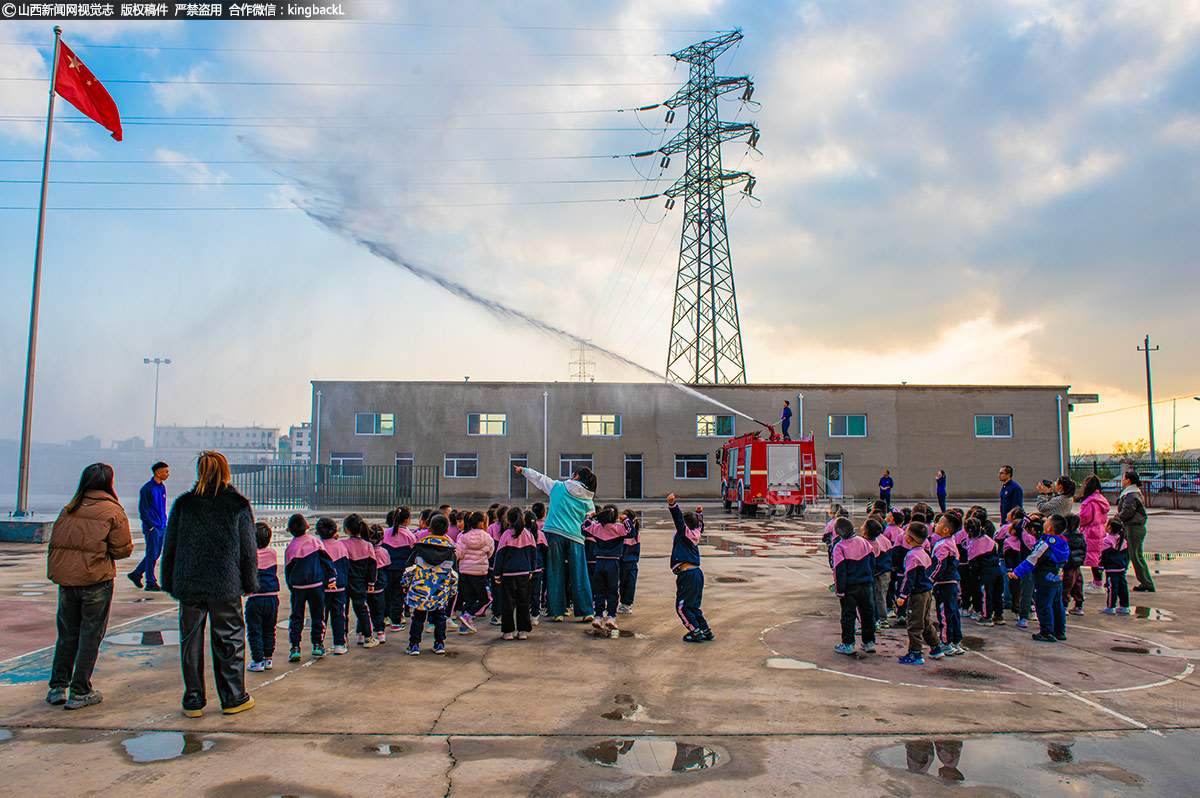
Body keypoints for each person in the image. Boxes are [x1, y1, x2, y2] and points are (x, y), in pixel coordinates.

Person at [160, 451, 257, 718]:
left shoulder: (184, 504)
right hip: (225, 583)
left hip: (189, 582)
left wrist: (170, 582)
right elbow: (248, 551)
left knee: (189, 640)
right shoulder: (237, 504)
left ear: (199, 472)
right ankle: (233, 697)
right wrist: (249, 582)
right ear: (226, 472)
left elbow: (170, 548)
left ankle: (193, 699)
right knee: (230, 639)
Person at [45, 463, 133, 710]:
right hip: (95, 580)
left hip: (67, 582)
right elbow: (122, 549)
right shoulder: (112, 511)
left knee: (67, 634)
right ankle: (80, 690)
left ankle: (57, 687)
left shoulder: (68, 509)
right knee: (90, 636)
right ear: (109, 482)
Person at [516, 464, 596, 623]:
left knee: (555, 572)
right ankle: (586, 611)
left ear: (576, 476)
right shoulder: (588, 498)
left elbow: (540, 479)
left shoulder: (558, 487)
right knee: (579, 573)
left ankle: (557, 611)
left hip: (554, 533)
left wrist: (524, 471)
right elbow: (590, 518)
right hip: (576, 537)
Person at [403, 513, 458, 655]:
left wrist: (406, 585)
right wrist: (452, 591)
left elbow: (409, 568)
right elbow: (454, 574)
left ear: (429, 528)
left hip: (421, 589)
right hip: (440, 590)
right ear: (446, 531)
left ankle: (414, 645)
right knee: (440, 617)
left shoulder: (420, 547)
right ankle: (439, 643)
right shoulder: (450, 550)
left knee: (418, 616)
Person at [1010, 514, 1069, 642]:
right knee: (1057, 605)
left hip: (1044, 580)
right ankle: (1060, 630)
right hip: (1056, 579)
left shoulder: (1045, 544)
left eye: (1047, 521)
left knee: (1043, 605)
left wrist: (1017, 572)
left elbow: (1032, 560)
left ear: (1049, 528)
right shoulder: (1063, 542)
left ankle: (1046, 631)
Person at [284, 513, 334, 662]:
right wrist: (331, 578)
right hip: (316, 585)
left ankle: (295, 647)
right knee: (318, 615)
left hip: (298, 587)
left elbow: (288, 571)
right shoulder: (315, 541)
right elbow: (326, 561)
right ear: (307, 527)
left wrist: (291, 587)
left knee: (296, 617)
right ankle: (318, 644)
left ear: (289, 530)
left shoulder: (290, 548)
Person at [668, 494, 713, 642]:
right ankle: (706, 630)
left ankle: (695, 631)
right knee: (693, 606)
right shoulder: (696, 533)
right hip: (696, 574)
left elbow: (678, 520)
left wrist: (673, 505)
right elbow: (700, 526)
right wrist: (699, 514)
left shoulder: (684, 533)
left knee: (682, 608)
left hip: (687, 575)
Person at [896, 522, 943, 664]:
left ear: (909, 538)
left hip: (917, 594)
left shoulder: (911, 556)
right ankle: (935, 647)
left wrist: (902, 596)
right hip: (927, 592)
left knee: (914, 624)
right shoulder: (924, 554)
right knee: (925, 621)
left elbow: (909, 578)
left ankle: (915, 653)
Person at [831, 517, 876, 655]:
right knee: (868, 613)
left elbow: (840, 570)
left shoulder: (839, 547)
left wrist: (840, 590)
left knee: (848, 615)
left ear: (838, 533)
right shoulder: (863, 542)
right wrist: (870, 578)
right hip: (866, 584)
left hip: (850, 587)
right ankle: (869, 642)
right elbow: (872, 561)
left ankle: (848, 644)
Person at [495, 506, 536, 640]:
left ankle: (508, 632)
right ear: (523, 518)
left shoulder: (506, 535)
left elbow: (499, 556)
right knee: (523, 602)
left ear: (508, 520)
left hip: (508, 574)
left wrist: (497, 574)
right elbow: (533, 554)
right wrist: (531, 570)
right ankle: (523, 630)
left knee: (508, 603)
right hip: (524, 573)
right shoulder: (528, 535)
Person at [584, 504, 627, 630]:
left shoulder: (597, 528)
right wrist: (625, 520)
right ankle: (611, 616)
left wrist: (590, 519)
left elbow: (583, 529)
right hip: (613, 562)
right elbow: (632, 532)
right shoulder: (618, 528)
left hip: (599, 561)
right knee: (613, 590)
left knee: (599, 590)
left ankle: (598, 616)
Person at [245, 522, 279, 673]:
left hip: (256, 598)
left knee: (255, 630)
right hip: (272, 598)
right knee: (269, 629)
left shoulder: (250, 555)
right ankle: (268, 658)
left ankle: (257, 660)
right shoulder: (272, 553)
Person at [129, 461, 169, 592]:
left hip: (161, 525)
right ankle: (150, 582)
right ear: (158, 473)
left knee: (156, 553)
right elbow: (143, 509)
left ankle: (136, 574)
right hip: (152, 526)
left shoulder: (162, 487)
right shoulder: (147, 489)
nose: (168, 474)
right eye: (166, 472)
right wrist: (150, 525)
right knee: (152, 553)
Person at [929, 513, 965, 656]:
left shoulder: (943, 545)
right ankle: (956, 640)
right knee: (953, 611)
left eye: (939, 523)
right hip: (952, 582)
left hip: (944, 583)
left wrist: (929, 580)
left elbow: (939, 566)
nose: (935, 525)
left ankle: (946, 642)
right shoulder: (951, 542)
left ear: (946, 530)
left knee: (944, 613)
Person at [455, 510, 495, 634]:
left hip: (465, 572)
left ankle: (464, 626)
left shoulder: (463, 536)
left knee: (468, 599)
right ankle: (469, 615)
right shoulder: (487, 538)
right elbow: (490, 554)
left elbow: (458, 554)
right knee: (486, 598)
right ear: (483, 524)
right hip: (480, 573)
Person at [342, 514, 378, 648]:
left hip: (345, 581)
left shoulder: (342, 544)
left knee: (343, 611)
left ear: (346, 529)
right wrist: (371, 583)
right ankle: (368, 637)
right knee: (362, 609)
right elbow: (372, 567)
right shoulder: (368, 545)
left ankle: (343, 638)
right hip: (360, 582)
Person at [1116, 471, 1154, 593]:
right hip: (1132, 527)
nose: (1122, 481)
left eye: (1123, 478)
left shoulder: (1131, 494)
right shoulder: (1133, 493)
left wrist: (1116, 519)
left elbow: (1127, 512)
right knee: (1127, 554)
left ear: (1128, 480)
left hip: (1133, 528)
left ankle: (1146, 582)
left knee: (1135, 555)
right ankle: (1118, 576)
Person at [316, 517, 349, 654]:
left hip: (322, 588)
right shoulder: (341, 546)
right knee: (338, 615)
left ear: (317, 532)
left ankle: (319, 643)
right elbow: (346, 565)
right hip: (339, 587)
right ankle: (339, 644)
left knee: (321, 616)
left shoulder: (317, 546)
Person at [382, 507, 415, 632]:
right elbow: (413, 554)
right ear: (407, 520)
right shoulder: (410, 536)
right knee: (398, 596)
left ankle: (385, 617)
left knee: (386, 594)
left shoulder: (386, 533)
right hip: (402, 571)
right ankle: (396, 622)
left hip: (387, 569)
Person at [1077, 476, 1110, 591]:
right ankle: (1098, 582)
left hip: (1090, 532)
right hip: (1100, 531)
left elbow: (1084, 518)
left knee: (1092, 559)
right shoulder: (1101, 499)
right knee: (1097, 558)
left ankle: (1097, 584)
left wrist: (1076, 518)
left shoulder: (1089, 502)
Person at [864, 516, 892, 627]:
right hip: (885, 570)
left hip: (879, 572)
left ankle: (881, 619)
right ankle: (880, 618)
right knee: (880, 595)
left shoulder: (868, 543)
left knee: (877, 596)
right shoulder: (884, 539)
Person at [1099, 519, 1131, 615]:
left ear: (1109, 528)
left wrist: (1101, 566)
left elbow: (1104, 555)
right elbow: (1126, 555)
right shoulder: (1123, 541)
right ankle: (1124, 606)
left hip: (1111, 568)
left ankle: (1111, 606)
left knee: (1112, 587)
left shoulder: (1107, 541)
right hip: (1121, 567)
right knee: (1123, 586)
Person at [366, 524, 390, 644]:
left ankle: (361, 633)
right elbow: (387, 566)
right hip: (379, 586)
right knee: (379, 610)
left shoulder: (364, 550)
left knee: (365, 610)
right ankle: (380, 632)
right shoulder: (383, 552)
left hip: (365, 586)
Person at [1062, 514, 1086, 615]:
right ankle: (1079, 606)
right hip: (1077, 565)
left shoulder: (1065, 537)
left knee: (1066, 586)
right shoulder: (1080, 536)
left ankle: (1064, 606)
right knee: (1078, 585)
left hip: (1068, 566)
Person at [618, 508, 641, 614]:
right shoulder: (637, 532)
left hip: (623, 561)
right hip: (633, 562)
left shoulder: (625, 532)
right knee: (630, 584)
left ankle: (622, 604)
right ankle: (626, 604)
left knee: (621, 584)